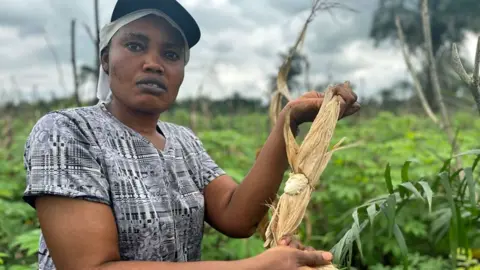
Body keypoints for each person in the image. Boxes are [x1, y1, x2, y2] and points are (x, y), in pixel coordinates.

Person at [22, 0, 360, 269]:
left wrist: (288, 122)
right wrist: (255, 268)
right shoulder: (66, 132)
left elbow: (237, 216)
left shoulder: (183, 141)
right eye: (136, 45)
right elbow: (89, 267)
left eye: (170, 54)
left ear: (181, 71)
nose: (154, 63)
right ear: (106, 60)